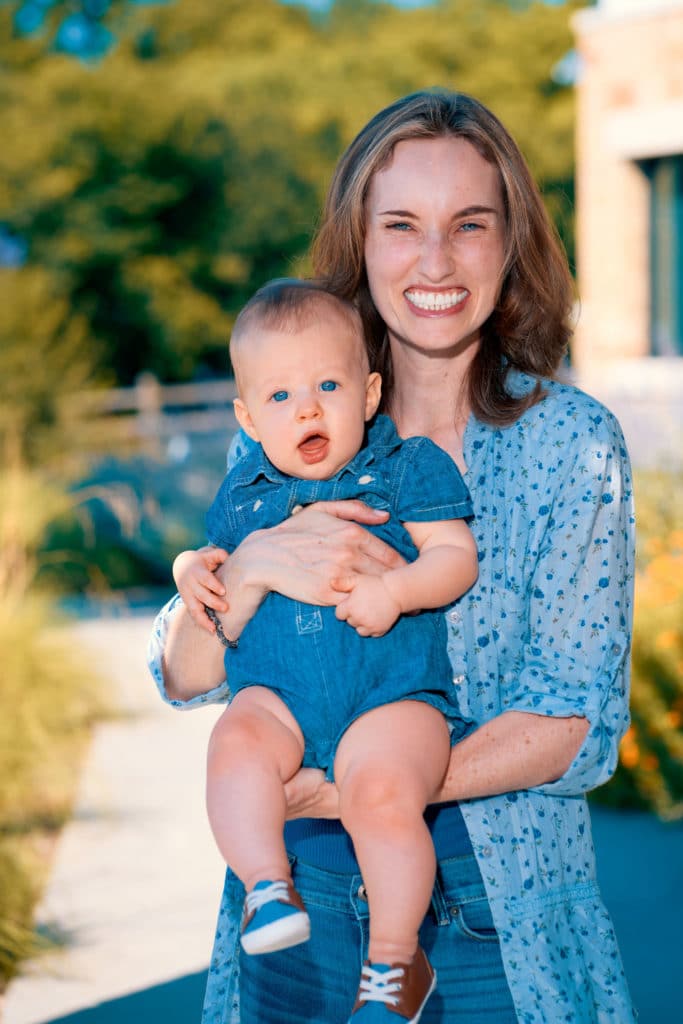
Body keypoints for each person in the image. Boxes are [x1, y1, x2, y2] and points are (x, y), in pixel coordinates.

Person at [148, 89, 636, 1024]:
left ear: (510, 243)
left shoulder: (569, 442)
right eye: (401, 225)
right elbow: (184, 676)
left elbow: (576, 718)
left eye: (469, 225)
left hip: (499, 909)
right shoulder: (285, 428)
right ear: (359, 243)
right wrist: (243, 572)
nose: (435, 261)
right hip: (298, 898)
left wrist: (365, 787)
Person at [172, 277, 478, 1022]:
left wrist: (398, 591)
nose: (306, 407)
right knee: (235, 740)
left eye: (328, 384)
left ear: (369, 393)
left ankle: (394, 963)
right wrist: (191, 568)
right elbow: (215, 568)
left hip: (390, 695)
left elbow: (454, 556)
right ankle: (267, 885)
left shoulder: (406, 467)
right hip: (280, 697)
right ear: (247, 416)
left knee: (381, 797)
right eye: (278, 397)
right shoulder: (242, 495)